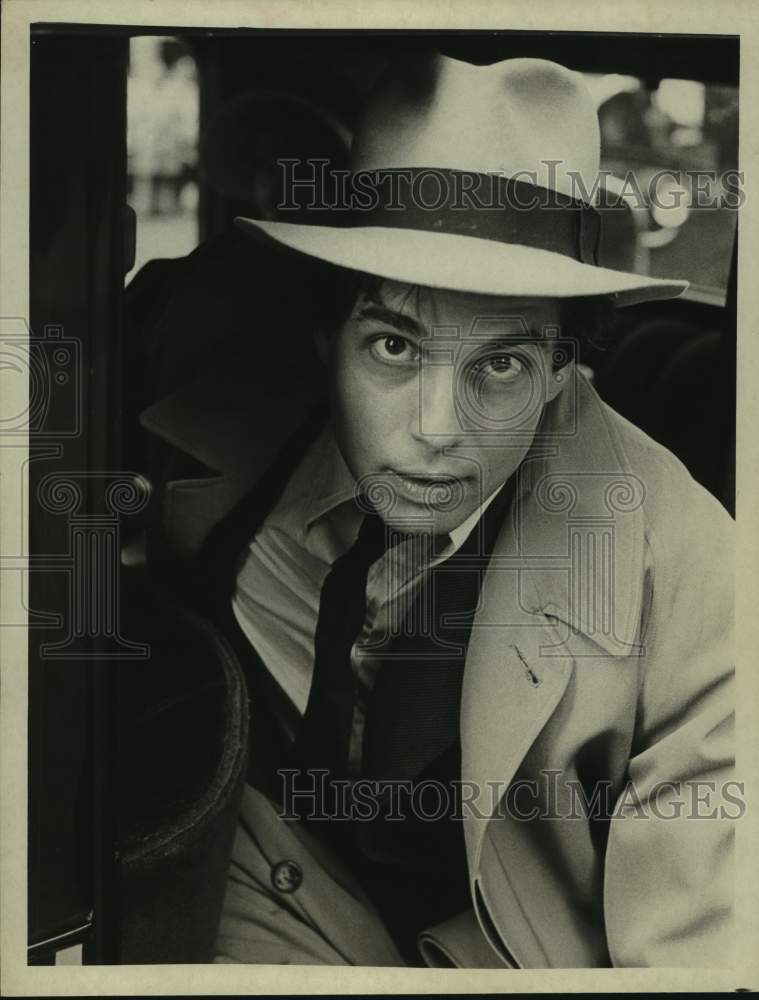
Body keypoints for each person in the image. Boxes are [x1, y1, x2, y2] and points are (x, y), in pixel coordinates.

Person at [141, 54, 735, 968]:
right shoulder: (199, 407)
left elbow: (693, 960)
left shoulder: (695, 578)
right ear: (318, 339)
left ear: (562, 372)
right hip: (246, 876)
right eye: (391, 344)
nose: (436, 429)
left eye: (500, 364)